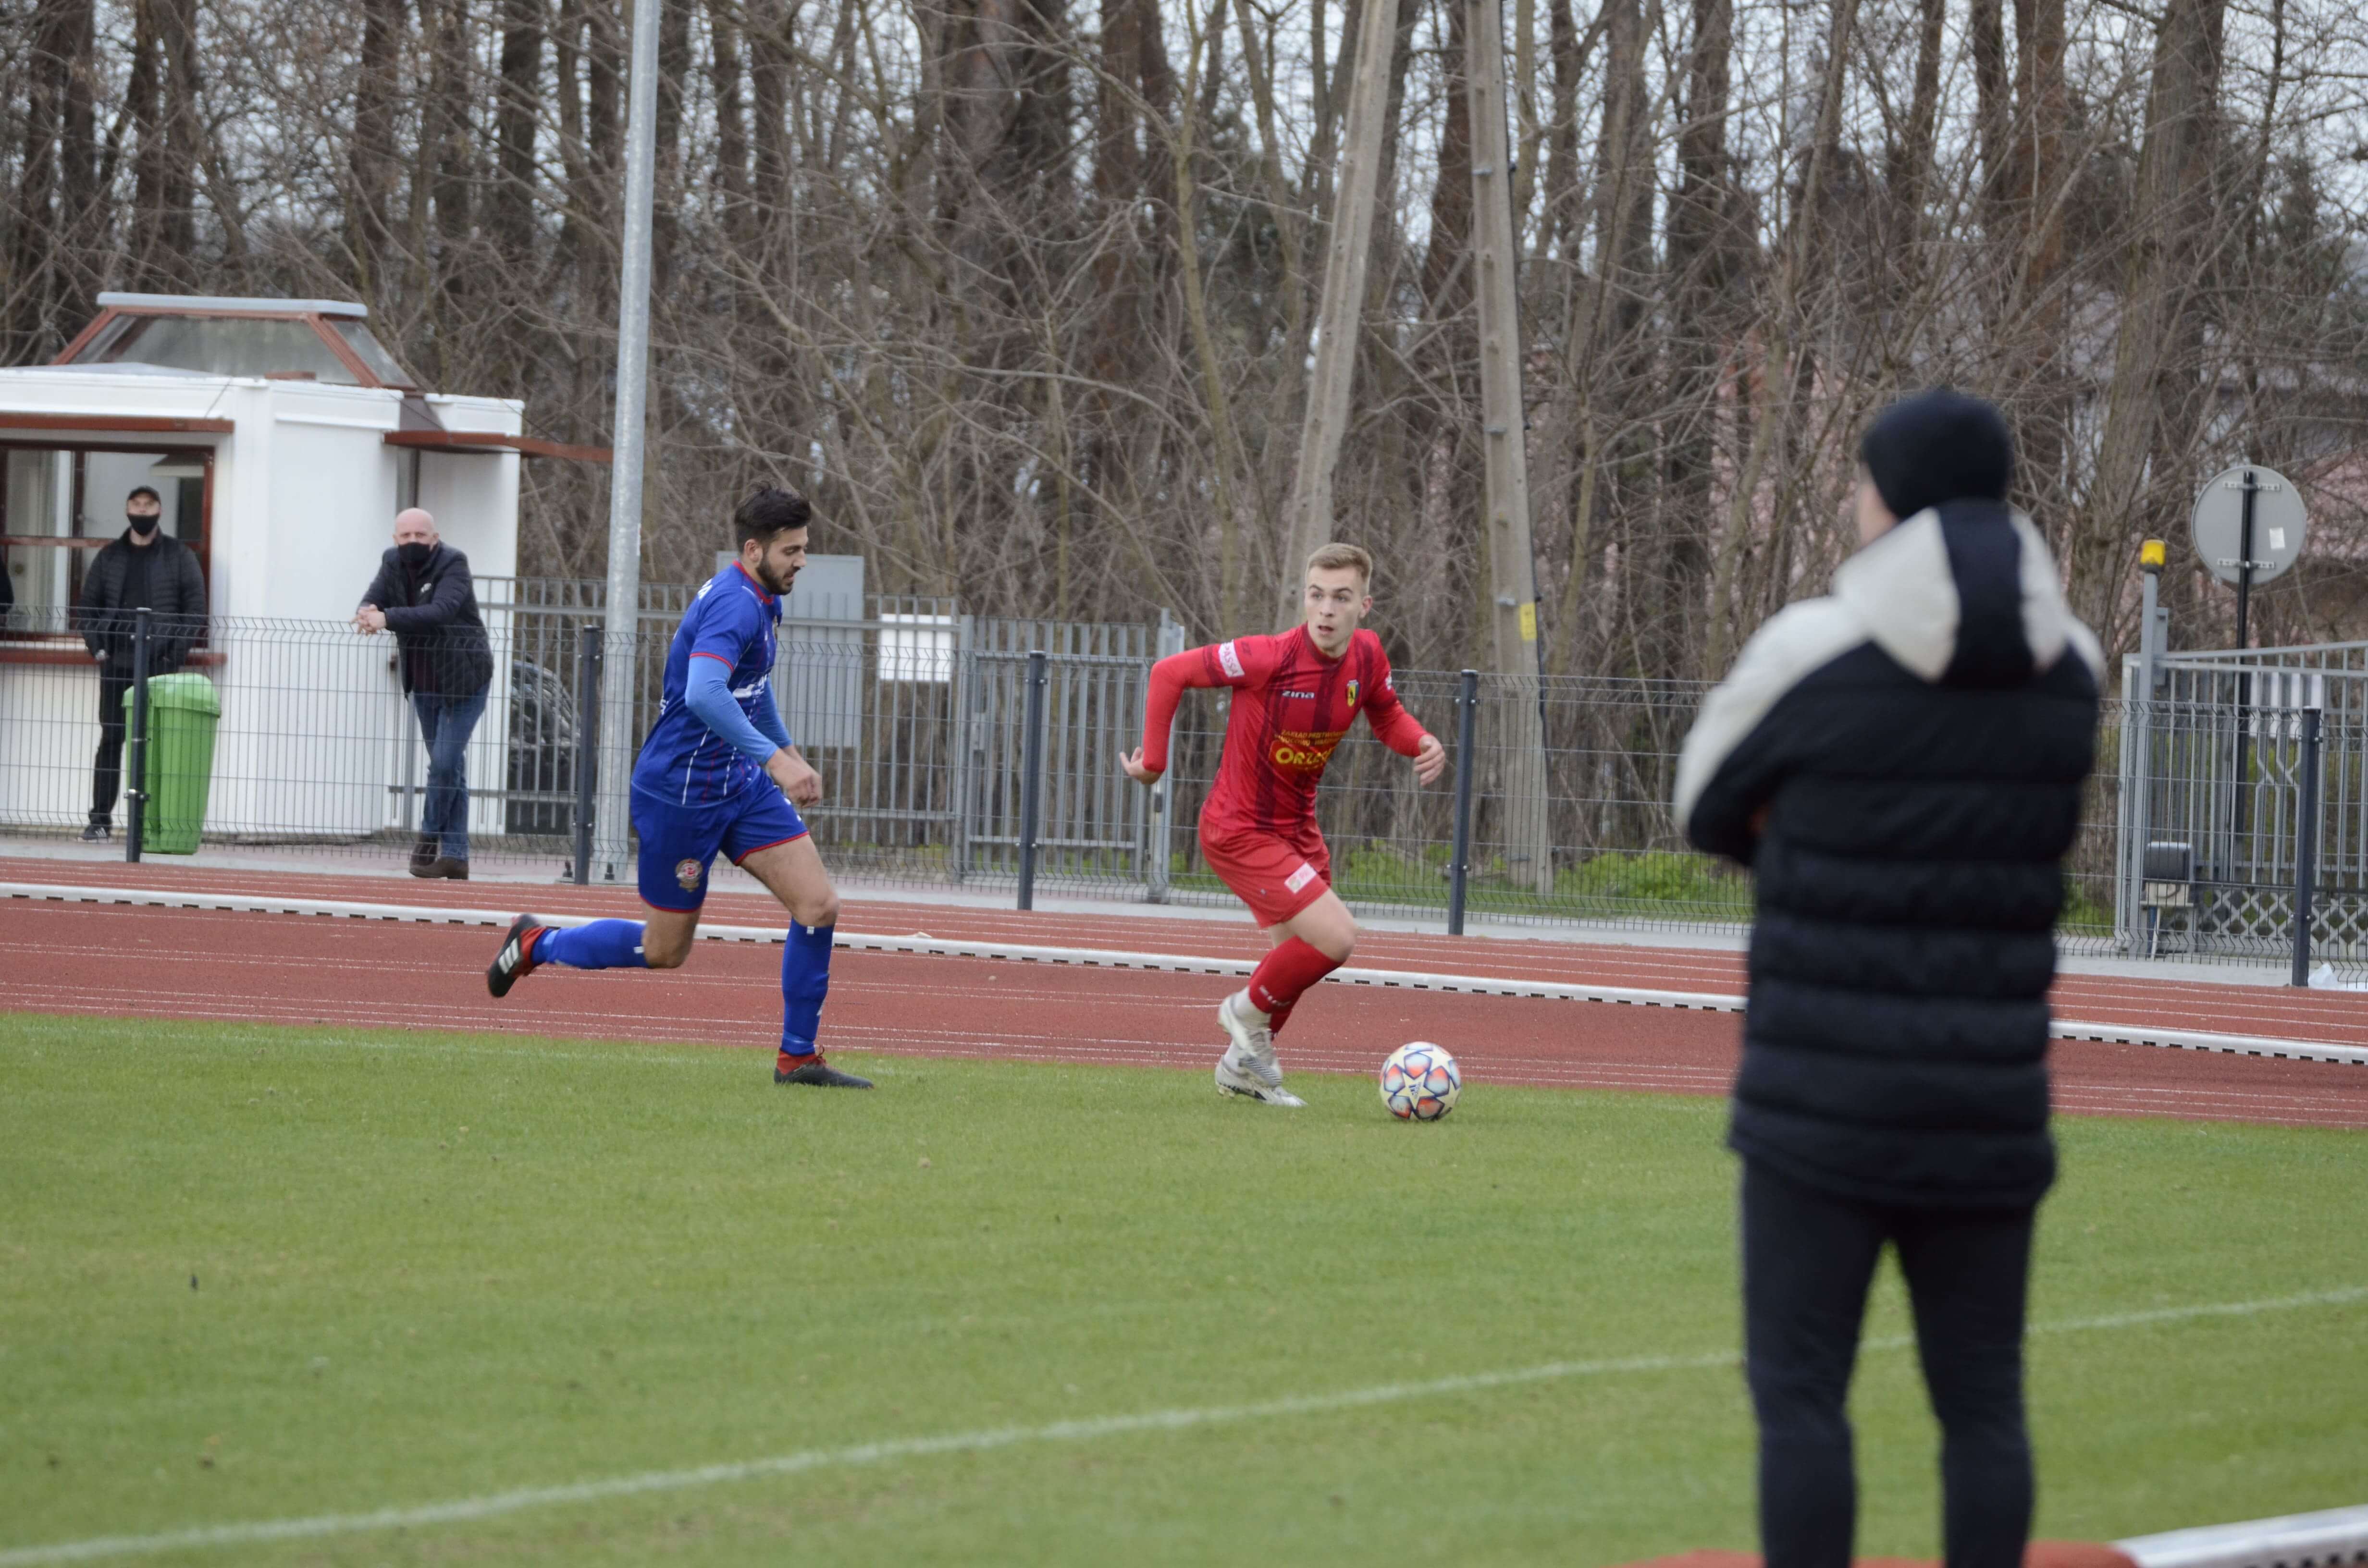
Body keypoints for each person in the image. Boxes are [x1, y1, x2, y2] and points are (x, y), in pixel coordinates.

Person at [1672, 389, 2102, 1568]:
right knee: (1985, 1406)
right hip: (1990, 1099)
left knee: (1804, 1401)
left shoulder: (1815, 645)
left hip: (1823, 1100)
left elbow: (1703, 805)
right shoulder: (2075, 665)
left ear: (1891, 498)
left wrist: (1804, 854)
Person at [484, 486, 872, 1090]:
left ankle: (797, 1058)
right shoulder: (735, 606)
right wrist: (776, 762)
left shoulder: (765, 597)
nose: (802, 561)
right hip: (682, 794)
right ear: (753, 549)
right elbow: (704, 693)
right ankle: (538, 942)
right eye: (791, 550)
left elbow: (752, 684)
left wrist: (787, 753)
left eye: (804, 549)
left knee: (818, 905)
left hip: (739, 785)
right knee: (665, 951)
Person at [1122, 542, 1447, 1106]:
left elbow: (1386, 714)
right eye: (1316, 595)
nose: (1325, 610)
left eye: (1340, 598)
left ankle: (1238, 1070)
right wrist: (1152, 763)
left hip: (1297, 829)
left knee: (1292, 964)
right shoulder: (1265, 656)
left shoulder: (1367, 658)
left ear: (1363, 606)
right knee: (1337, 937)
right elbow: (1168, 672)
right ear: (1304, 597)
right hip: (1239, 828)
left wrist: (1420, 740)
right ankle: (1240, 1013)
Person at [357, 508, 494, 878]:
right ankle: (456, 856)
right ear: (395, 539)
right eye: (406, 536)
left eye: (421, 535)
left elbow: (442, 610)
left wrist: (387, 619)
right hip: (425, 682)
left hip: (466, 679)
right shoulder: (391, 562)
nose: (413, 542)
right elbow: (374, 598)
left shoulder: (454, 563)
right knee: (451, 772)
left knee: (444, 764)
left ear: (435, 538)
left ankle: (428, 837)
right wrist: (366, 613)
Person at [74, 485, 208, 842]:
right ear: (127, 509)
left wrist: (173, 656)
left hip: (160, 666)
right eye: (136, 505)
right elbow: (87, 607)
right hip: (116, 663)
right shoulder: (110, 556)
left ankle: (153, 825)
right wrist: (97, 648)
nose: (142, 511)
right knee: (112, 739)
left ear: (160, 511)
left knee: (157, 744)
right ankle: (100, 820)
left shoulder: (179, 555)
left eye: (148, 505)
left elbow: (195, 609)